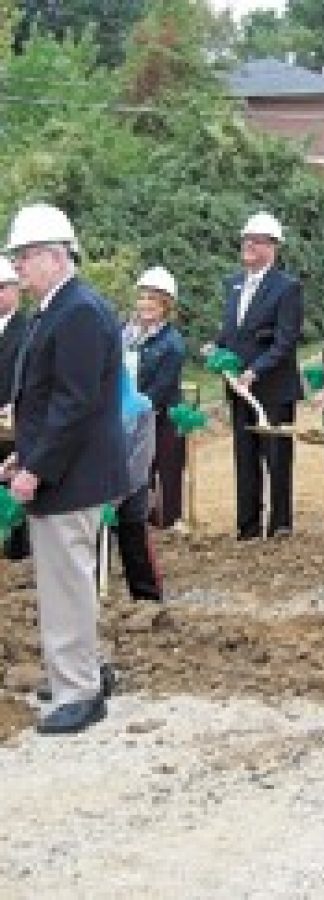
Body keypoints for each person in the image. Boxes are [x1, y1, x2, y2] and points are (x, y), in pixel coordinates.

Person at [2, 203, 127, 734]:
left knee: (65, 582)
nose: (18, 270)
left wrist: (38, 467)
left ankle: (79, 691)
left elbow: (73, 403)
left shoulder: (76, 312)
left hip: (72, 476)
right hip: (67, 469)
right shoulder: (62, 307)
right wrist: (23, 454)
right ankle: (77, 670)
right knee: (66, 578)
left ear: (54, 256)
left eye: (24, 259)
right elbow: (48, 397)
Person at [214, 212, 303, 540]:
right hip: (240, 389)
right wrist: (217, 348)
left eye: (257, 240)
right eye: (246, 239)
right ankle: (247, 527)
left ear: (273, 247)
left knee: (277, 460)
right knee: (245, 458)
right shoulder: (234, 284)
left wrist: (255, 371)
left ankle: (280, 526)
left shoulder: (287, 288)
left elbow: (285, 341)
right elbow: (232, 332)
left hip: (273, 390)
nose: (249, 245)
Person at [123, 266, 186, 529]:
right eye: (143, 298)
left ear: (165, 306)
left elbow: (162, 386)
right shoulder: (125, 334)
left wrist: (136, 408)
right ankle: (139, 519)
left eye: (153, 300)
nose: (146, 304)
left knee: (167, 467)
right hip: (130, 413)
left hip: (162, 415)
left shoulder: (172, 343)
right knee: (137, 470)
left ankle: (170, 521)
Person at [111, 367, 162, 603]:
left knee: (135, 546)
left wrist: (118, 495)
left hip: (131, 488)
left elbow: (141, 459)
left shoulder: (142, 407)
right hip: (96, 490)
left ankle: (147, 601)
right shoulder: (90, 410)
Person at [0, 255, 29, 559]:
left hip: (13, 420)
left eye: (1, 288)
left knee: (13, 479)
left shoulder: (26, 330)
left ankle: (17, 550)